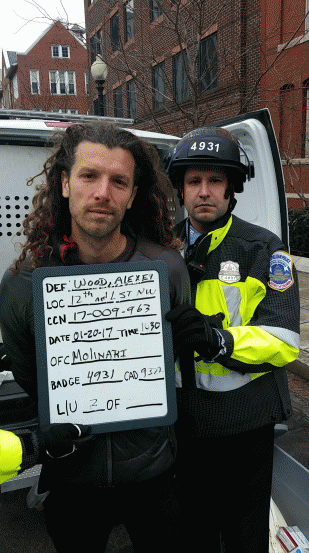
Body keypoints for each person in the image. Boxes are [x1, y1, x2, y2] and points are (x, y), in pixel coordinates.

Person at [0, 122, 190, 552]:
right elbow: (32, 379)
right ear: (65, 183)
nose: (103, 192)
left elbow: (171, 360)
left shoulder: (168, 269)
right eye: (89, 176)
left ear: (132, 194)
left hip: (155, 477)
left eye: (118, 181)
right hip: (72, 480)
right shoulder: (21, 285)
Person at [166, 126, 300, 552]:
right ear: (182, 190)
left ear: (232, 187)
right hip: (184, 423)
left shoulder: (264, 250)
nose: (204, 191)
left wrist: (219, 341)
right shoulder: (159, 251)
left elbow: (282, 339)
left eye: (216, 180)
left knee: (244, 535)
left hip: (245, 423)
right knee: (194, 532)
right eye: (194, 181)